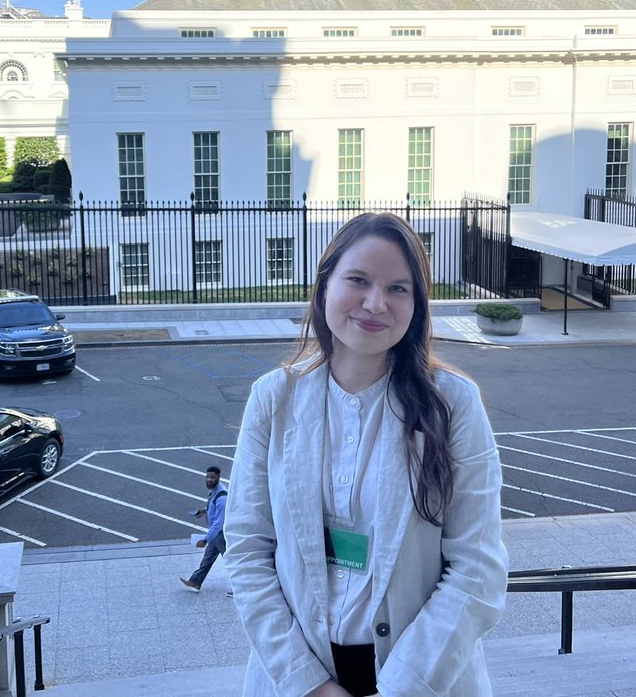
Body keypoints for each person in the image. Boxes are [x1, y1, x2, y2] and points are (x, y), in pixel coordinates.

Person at [225, 212, 508, 697]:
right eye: (358, 280)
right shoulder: (274, 399)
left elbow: (477, 569)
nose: (376, 303)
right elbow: (249, 551)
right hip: (295, 680)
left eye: (399, 288)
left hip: (424, 681)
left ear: (417, 304)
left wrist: (402, 688)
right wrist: (308, 684)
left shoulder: (452, 404)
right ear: (325, 285)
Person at [180, 465, 228, 592]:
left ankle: (241, 588)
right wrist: (204, 511)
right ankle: (195, 582)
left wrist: (205, 540)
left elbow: (219, 522)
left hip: (220, 534)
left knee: (230, 561)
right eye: (207, 477)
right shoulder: (214, 491)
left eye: (212, 477)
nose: (209, 480)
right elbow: (214, 508)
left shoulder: (222, 496)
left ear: (218, 477)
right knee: (208, 558)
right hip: (215, 534)